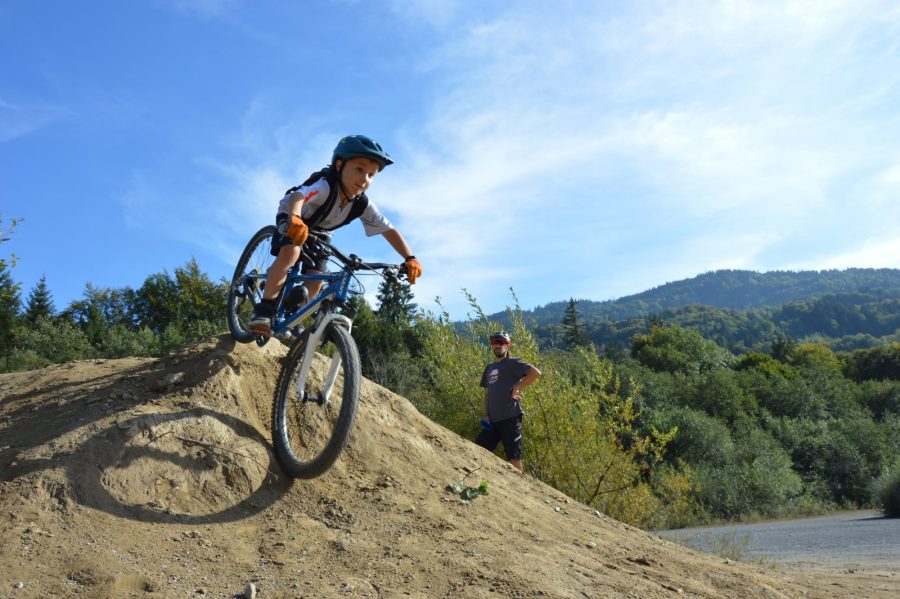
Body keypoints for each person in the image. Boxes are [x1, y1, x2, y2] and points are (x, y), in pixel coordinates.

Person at [248, 135, 422, 335]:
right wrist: (295, 218)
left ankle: (295, 310)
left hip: (321, 232)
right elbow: (298, 196)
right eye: (359, 169)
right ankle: (264, 310)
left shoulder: (362, 204)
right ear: (339, 165)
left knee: (316, 279)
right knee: (292, 251)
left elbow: (388, 230)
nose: (365, 179)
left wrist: (410, 258)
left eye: (371, 175)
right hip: (294, 215)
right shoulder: (325, 185)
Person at [475, 331, 541, 472]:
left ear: (507, 345)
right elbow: (487, 393)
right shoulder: (489, 368)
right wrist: (486, 414)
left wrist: (518, 386)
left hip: (511, 418)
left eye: (501, 342)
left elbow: (535, 373)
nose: (497, 345)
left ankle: (523, 490)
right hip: (492, 420)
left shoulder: (513, 363)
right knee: (478, 447)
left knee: (514, 457)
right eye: (494, 343)